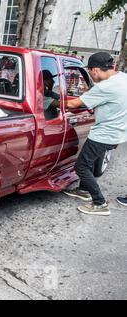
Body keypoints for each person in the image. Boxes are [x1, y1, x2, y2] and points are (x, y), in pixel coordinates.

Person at [64, 52, 127, 215]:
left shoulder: (105, 87)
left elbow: (73, 104)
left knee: (81, 166)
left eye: (90, 72)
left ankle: (99, 203)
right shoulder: (123, 78)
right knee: (90, 160)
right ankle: (84, 190)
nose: (91, 76)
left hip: (104, 134)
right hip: (118, 132)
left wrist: (49, 99)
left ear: (95, 70)